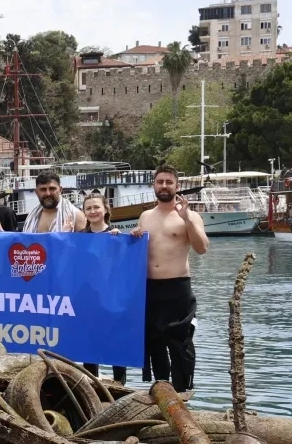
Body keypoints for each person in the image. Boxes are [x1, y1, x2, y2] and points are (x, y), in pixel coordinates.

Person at [130, 164, 209, 392]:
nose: (164, 186)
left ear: (177, 186)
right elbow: (137, 251)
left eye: (169, 182)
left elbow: (202, 248)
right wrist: (133, 235)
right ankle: (162, 390)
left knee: (180, 344)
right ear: (153, 185)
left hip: (178, 288)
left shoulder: (190, 216)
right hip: (150, 288)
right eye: (160, 182)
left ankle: (182, 392)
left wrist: (187, 219)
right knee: (155, 343)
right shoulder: (145, 216)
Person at [73, 194, 126, 384]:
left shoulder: (116, 235)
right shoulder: (79, 237)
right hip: (88, 297)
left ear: (105, 209)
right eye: (88, 208)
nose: (93, 211)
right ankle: (91, 383)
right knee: (90, 342)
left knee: (115, 340)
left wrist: (121, 241)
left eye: (96, 207)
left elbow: (126, 262)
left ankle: (120, 383)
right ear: (84, 212)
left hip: (112, 298)